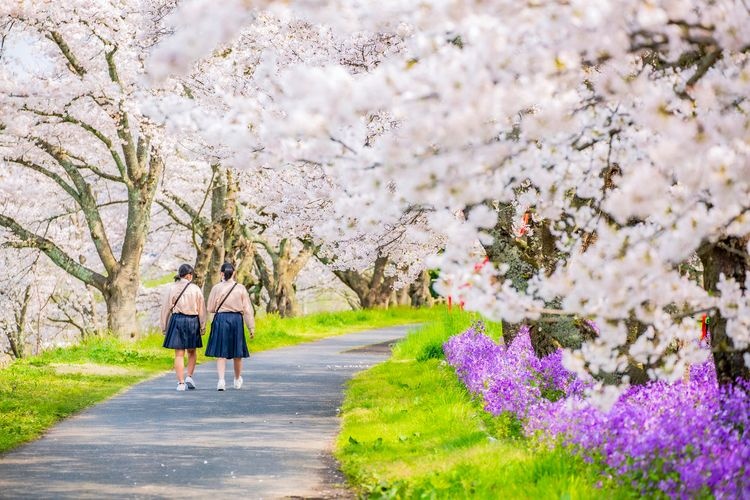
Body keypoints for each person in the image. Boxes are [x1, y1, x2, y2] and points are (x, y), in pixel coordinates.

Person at [205, 262, 255, 391]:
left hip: (221, 319)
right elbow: (247, 309)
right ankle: (237, 379)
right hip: (236, 320)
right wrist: (251, 327)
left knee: (221, 352)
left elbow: (210, 308)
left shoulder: (216, 288)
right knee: (237, 352)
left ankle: (221, 381)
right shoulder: (241, 288)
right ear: (234, 273)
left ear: (221, 273)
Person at [160, 264, 206, 391]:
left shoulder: (172, 288)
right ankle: (189, 376)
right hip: (192, 321)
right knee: (192, 351)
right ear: (189, 275)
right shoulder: (195, 289)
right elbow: (202, 309)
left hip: (177, 320)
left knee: (179, 354)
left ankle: (180, 383)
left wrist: (164, 326)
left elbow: (165, 308)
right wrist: (202, 325)